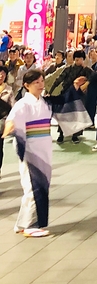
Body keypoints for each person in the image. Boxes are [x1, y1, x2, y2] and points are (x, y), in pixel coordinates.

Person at [3, 69, 52, 237]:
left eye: (41, 81)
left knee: (39, 186)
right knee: (32, 187)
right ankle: (30, 225)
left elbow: (63, 104)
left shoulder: (44, 102)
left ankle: (22, 223)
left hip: (44, 148)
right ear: (26, 85)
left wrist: (75, 88)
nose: (40, 85)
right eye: (36, 82)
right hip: (30, 149)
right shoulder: (23, 104)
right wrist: (9, 127)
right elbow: (12, 119)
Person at [0, 65, 14, 176]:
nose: (1, 76)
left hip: (1, 124)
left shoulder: (9, 90)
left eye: (3, 74)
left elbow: (12, 107)